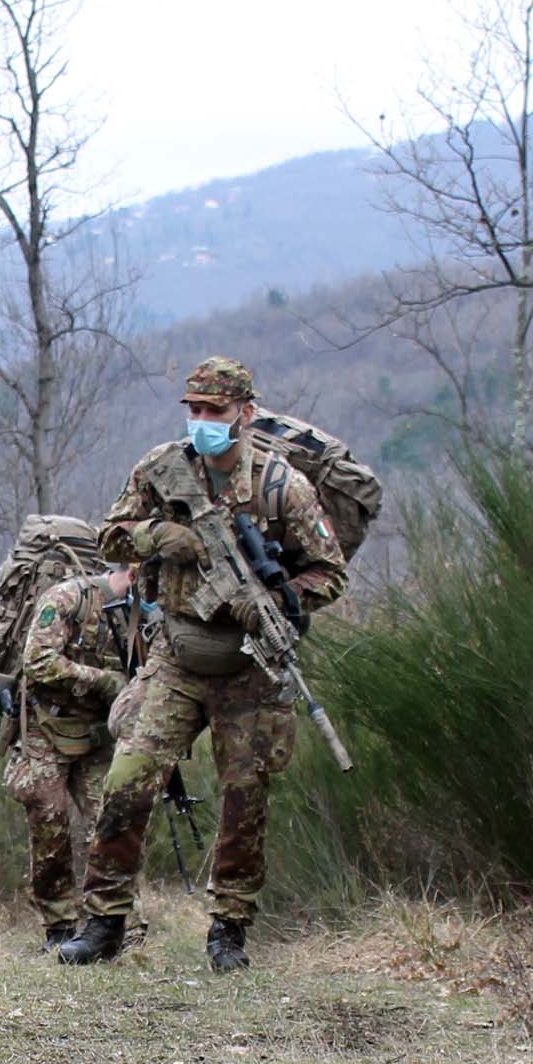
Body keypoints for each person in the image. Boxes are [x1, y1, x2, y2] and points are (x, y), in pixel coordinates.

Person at [58, 357, 346, 972]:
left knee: (246, 797)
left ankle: (228, 930)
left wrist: (277, 598)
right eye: (193, 409)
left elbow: (330, 571)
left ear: (245, 411)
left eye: (214, 411)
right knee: (127, 781)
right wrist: (163, 538)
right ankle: (105, 921)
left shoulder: (280, 486)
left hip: (249, 665)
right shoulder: (163, 470)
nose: (202, 421)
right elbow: (111, 535)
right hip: (178, 652)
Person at [4, 561, 141, 950]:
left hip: (99, 734)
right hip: (49, 727)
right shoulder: (68, 599)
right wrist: (103, 680)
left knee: (113, 820)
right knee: (50, 818)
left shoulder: (142, 620)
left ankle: (118, 922)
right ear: (132, 573)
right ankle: (59, 924)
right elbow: (39, 662)